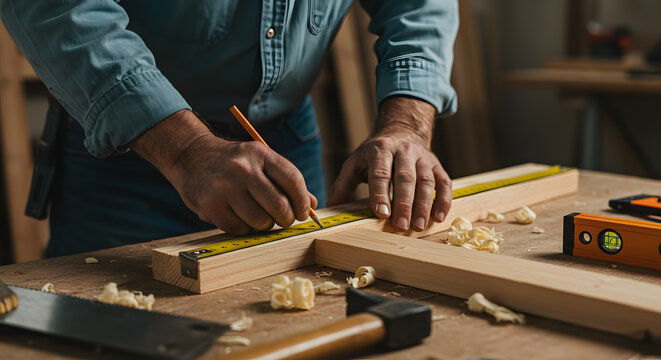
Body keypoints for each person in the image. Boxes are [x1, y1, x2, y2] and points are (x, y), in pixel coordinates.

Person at [0, 1, 457, 257]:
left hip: (284, 143)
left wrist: (407, 124)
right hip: (129, 152)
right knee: (116, 330)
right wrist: (185, 150)